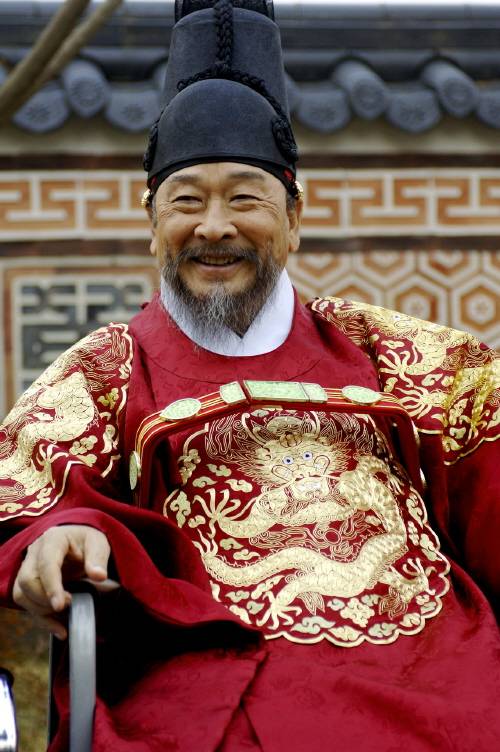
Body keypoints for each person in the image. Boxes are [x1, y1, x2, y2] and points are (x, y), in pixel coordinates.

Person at [1, 2, 499, 750]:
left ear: (293, 219)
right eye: (186, 201)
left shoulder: (394, 352)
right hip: (215, 689)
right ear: (152, 223)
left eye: (244, 198)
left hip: (440, 684)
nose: (214, 226)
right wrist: (62, 533)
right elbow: (33, 502)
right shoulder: (104, 370)